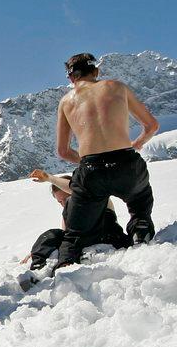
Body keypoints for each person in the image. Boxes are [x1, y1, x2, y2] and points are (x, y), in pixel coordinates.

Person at [54, 53, 158, 271]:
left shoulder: (66, 102)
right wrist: (136, 144)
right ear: (96, 72)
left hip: (91, 170)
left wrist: (86, 162)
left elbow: (63, 151)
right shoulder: (117, 87)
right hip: (126, 163)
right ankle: (140, 229)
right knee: (139, 203)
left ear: (71, 78)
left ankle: (64, 267)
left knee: (74, 233)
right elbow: (152, 126)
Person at [23, 170, 130, 272]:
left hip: (106, 235)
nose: (64, 204)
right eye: (60, 202)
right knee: (51, 234)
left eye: (66, 199)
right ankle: (38, 268)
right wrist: (40, 249)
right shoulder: (68, 213)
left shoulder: (96, 199)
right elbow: (66, 236)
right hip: (81, 241)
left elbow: (79, 190)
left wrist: (49, 178)